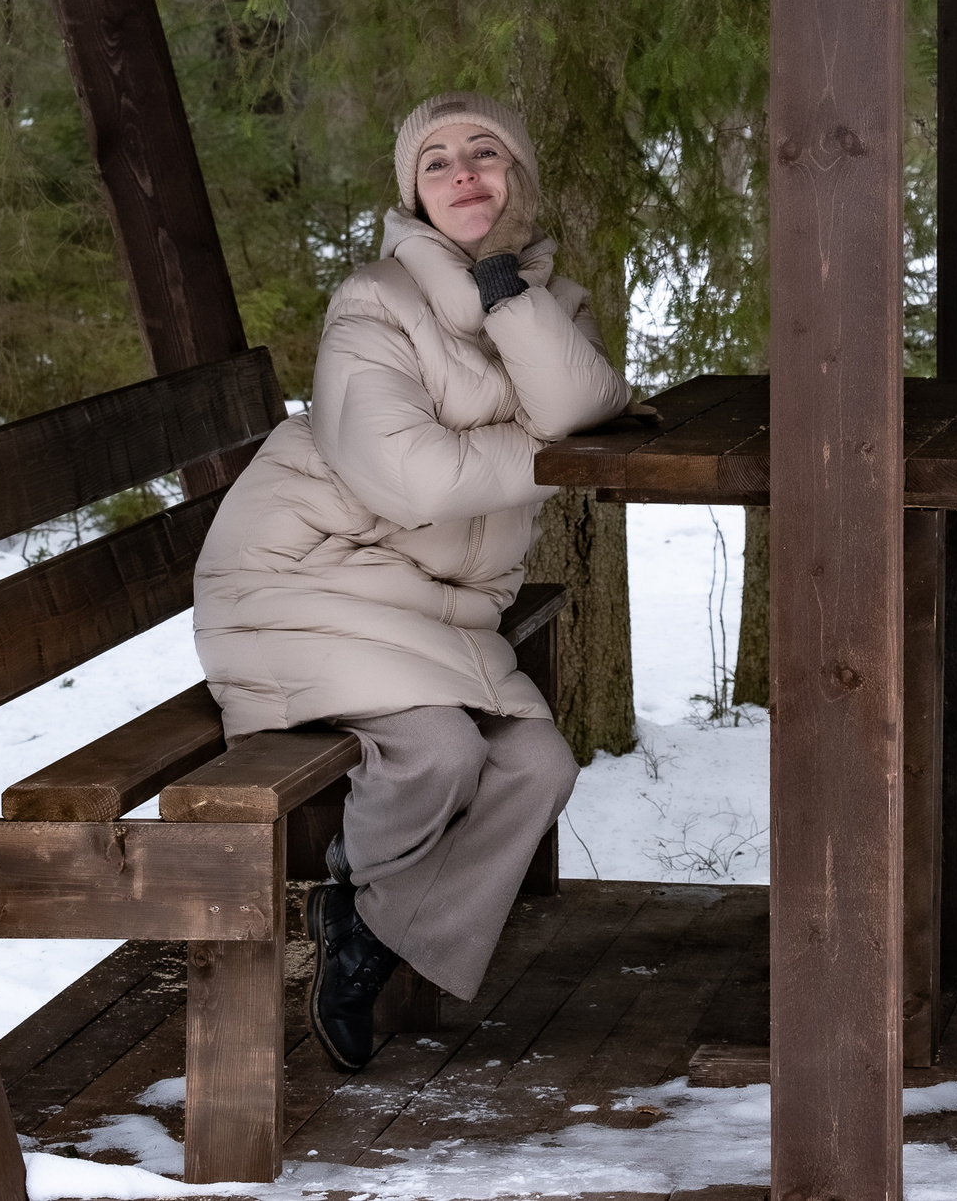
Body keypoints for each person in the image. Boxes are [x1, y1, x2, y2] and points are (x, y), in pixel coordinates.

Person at [193, 90, 633, 1072]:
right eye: (436, 161)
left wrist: (504, 290)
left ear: (518, 175)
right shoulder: (371, 301)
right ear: (412, 194)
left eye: (485, 152)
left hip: (428, 607)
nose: (463, 170)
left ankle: (370, 924)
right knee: (435, 748)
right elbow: (411, 476)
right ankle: (361, 912)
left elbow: (584, 400)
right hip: (302, 582)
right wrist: (546, 453)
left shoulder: (545, 298)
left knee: (539, 766)